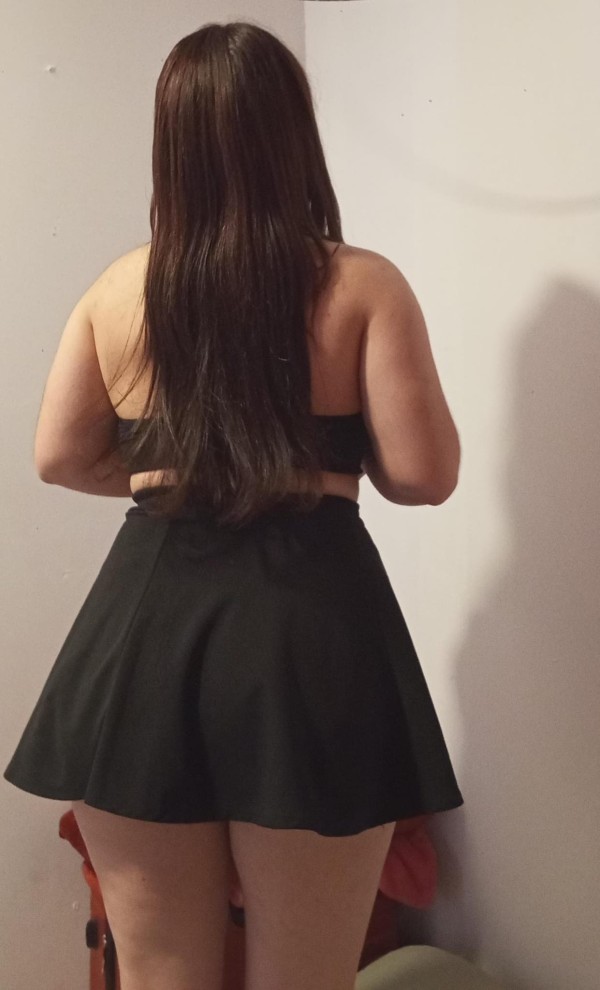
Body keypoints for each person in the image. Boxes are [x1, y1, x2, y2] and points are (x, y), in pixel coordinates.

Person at [3, 20, 463, 990]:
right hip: (311, 631)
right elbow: (424, 475)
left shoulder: (116, 290)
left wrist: (192, 471)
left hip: (144, 629)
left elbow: (59, 456)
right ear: (294, 134)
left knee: (160, 975)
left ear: (169, 143)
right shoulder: (362, 284)